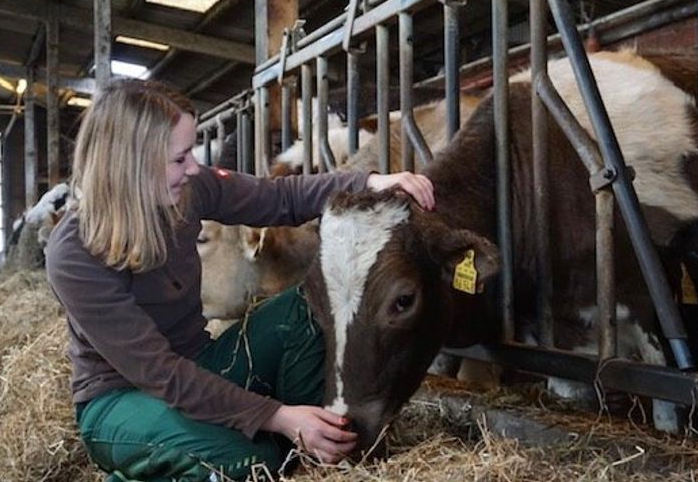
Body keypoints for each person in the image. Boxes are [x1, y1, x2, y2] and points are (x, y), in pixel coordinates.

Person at [45, 79, 435, 482]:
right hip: (123, 399)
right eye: (180, 158)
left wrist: (365, 183)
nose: (194, 168)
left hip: (203, 364)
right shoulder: (73, 254)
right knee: (248, 465)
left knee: (306, 306)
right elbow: (159, 372)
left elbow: (278, 197)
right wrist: (276, 416)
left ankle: (315, 444)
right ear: (132, 163)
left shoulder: (187, 191)